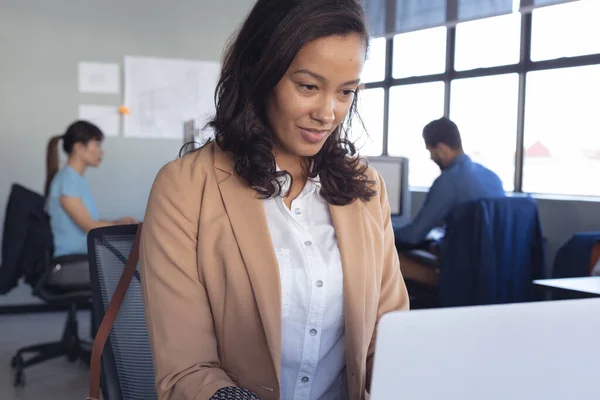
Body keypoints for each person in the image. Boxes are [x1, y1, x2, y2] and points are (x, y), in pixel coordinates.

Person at [139, 1, 409, 399]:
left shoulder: (365, 189)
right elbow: (186, 369)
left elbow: (388, 344)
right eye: (308, 86)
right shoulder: (184, 187)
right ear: (260, 73)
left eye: (346, 92)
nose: (328, 113)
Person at [394, 117, 506, 247]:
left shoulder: (448, 181)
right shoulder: (493, 177)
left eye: (431, 151)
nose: (431, 158)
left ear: (441, 149)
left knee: (399, 256)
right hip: (494, 262)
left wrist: (385, 231)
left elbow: (413, 236)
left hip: (460, 263)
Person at [46, 120, 137, 257]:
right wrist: (123, 228)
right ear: (79, 148)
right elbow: (89, 226)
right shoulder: (68, 180)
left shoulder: (75, 179)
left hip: (83, 254)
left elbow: (90, 221)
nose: (101, 151)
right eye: (97, 145)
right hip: (72, 258)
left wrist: (117, 222)